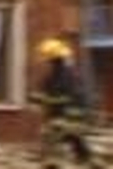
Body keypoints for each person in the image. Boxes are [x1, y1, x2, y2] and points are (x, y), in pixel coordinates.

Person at [32, 37, 96, 166]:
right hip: (65, 116)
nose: (44, 63)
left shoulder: (64, 76)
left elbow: (60, 97)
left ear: (52, 60)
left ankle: (53, 162)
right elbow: (47, 93)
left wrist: (61, 117)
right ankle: (86, 159)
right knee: (72, 138)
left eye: (46, 60)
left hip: (69, 116)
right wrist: (37, 100)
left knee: (53, 137)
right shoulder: (56, 75)